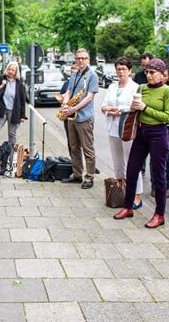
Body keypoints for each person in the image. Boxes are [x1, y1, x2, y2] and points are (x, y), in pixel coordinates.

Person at [114, 58, 169, 228]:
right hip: (141, 132)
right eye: (147, 72)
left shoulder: (167, 91)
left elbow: (168, 117)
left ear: (162, 74)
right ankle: (128, 207)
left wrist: (145, 108)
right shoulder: (141, 88)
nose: (148, 75)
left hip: (158, 133)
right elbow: (136, 109)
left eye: (152, 72)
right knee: (132, 170)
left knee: (158, 175)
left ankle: (159, 214)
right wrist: (134, 107)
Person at [100, 57, 143, 209]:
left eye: (124, 69)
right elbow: (104, 105)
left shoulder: (135, 87)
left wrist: (121, 110)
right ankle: (121, 191)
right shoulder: (112, 87)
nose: (121, 72)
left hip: (127, 129)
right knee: (118, 162)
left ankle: (137, 196)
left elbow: (135, 106)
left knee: (132, 162)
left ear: (130, 71)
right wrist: (107, 109)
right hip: (113, 128)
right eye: (118, 69)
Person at [60, 48, 99, 189]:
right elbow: (68, 91)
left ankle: (89, 177)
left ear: (88, 59)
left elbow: (89, 97)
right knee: (74, 147)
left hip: (84, 118)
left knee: (88, 149)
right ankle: (77, 174)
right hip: (71, 116)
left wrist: (74, 108)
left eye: (83, 58)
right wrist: (65, 104)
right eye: (78, 58)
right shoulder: (75, 74)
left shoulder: (92, 76)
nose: (81, 60)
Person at [0, 61, 26, 156]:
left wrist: (22, 116)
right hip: (2, 110)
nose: (10, 71)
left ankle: (11, 157)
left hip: (14, 113)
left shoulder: (19, 84)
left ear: (16, 71)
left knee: (12, 135)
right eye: (9, 69)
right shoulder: (1, 79)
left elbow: (22, 101)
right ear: (6, 69)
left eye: (13, 70)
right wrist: (1, 86)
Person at [150, 66, 169, 198]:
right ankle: (154, 185)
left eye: (165, 75)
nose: (161, 77)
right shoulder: (152, 90)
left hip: (168, 128)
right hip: (154, 128)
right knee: (154, 159)